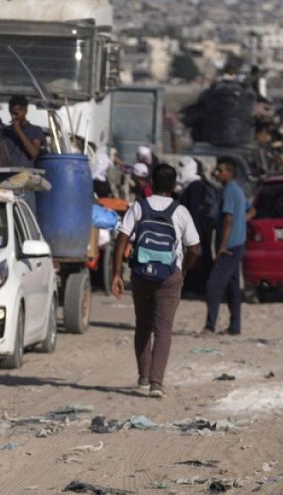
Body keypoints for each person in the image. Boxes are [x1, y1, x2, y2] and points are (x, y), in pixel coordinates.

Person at [112, 163, 200, 399]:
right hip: (169, 276)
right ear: (174, 185)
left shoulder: (138, 207)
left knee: (142, 325)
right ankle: (156, 383)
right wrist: (183, 271)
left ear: (151, 182)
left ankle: (143, 376)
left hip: (141, 274)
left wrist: (117, 274)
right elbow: (194, 248)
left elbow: (121, 240)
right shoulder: (180, 212)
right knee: (163, 330)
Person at [204, 156, 249, 336]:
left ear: (229, 173)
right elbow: (250, 209)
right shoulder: (238, 189)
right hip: (238, 243)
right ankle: (235, 326)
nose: (217, 173)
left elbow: (228, 219)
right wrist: (242, 225)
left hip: (229, 246)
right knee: (232, 288)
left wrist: (222, 246)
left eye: (220, 170)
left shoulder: (230, 190)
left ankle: (210, 325)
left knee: (213, 285)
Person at [177, 157, 219, 296]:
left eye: (183, 167)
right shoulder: (192, 185)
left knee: (197, 260)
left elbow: (194, 211)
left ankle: (196, 288)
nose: (180, 171)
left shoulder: (195, 187)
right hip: (197, 230)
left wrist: (189, 232)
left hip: (197, 230)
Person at [4, 95, 44, 164]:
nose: (13, 117)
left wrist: (19, 131)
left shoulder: (36, 130)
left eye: (16, 114)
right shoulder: (6, 131)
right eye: (11, 113)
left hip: (27, 172)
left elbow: (34, 154)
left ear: (25, 111)